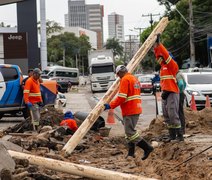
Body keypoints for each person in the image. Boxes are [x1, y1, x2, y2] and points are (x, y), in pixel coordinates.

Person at [104, 65, 153, 160]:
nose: (118, 77)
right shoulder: (134, 78)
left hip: (130, 109)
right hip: (135, 108)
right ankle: (131, 153)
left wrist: (111, 105)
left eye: (118, 75)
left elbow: (122, 97)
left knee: (129, 132)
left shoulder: (125, 79)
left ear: (120, 73)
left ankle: (147, 148)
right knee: (128, 133)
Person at [153, 34, 183, 141]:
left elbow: (164, 54)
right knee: (166, 115)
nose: (160, 59)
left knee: (172, 114)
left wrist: (160, 44)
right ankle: (172, 136)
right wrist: (156, 46)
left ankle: (179, 136)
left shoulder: (172, 66)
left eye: (162, 58)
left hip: (172, 92)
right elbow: (158, 56)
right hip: (165, 93)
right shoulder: (162, 67)